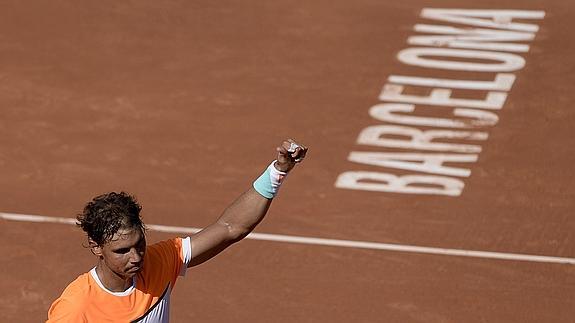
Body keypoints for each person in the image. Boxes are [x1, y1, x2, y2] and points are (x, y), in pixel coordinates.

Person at [46, 139, 308, 323]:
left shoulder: (159, 261)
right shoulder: (75, 309)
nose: (136, 257)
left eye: (139, 244)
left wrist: (278, 172)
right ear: (96, 247)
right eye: (121, 251)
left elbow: (231, 227)